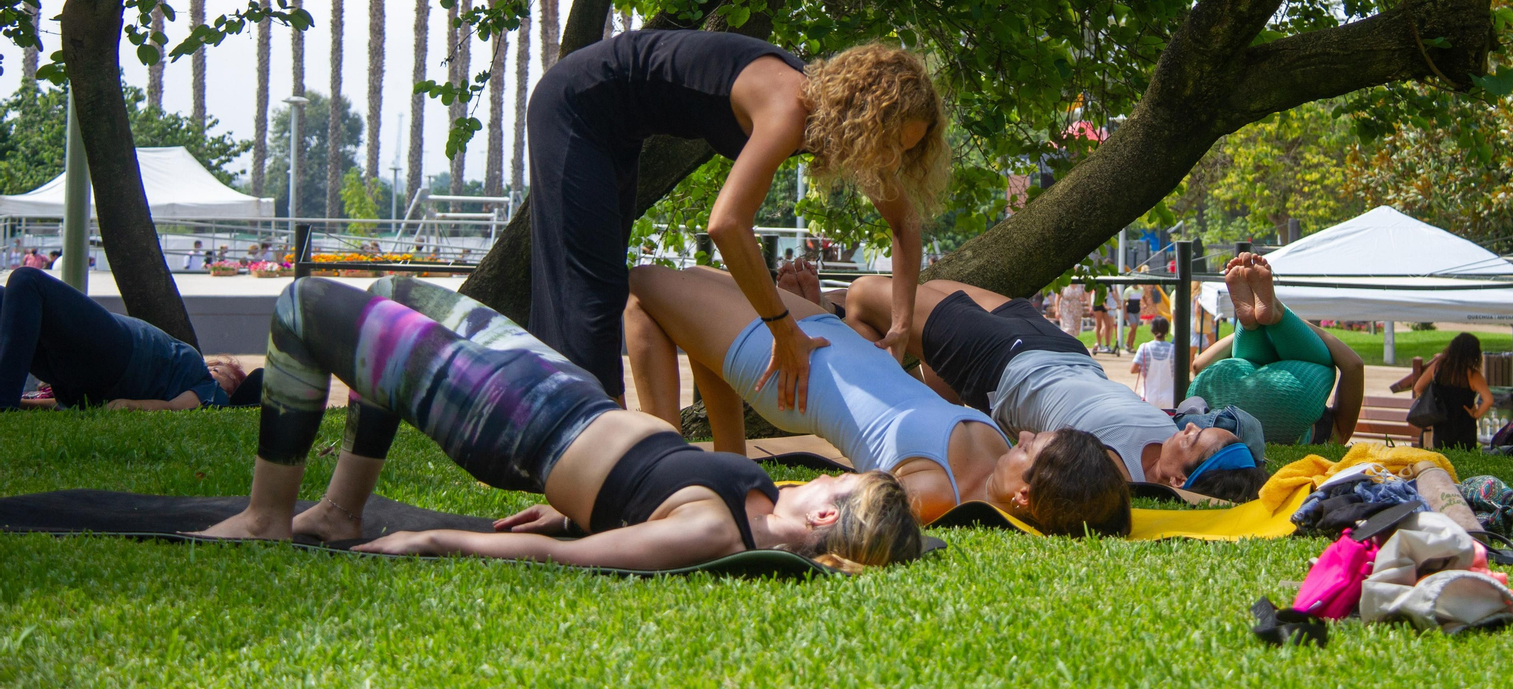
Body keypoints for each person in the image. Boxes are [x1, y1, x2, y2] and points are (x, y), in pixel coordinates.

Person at [196, 277, 923, 572]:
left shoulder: (715, 532)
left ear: (829, 509)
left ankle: (267, 517)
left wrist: (434, 538)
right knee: (391, 294)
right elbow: (633, 495)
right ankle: (337, 511)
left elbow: (581, 558)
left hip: (512, 418)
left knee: (302, 308)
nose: (829, 468)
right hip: (562, 393)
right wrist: (575, 504)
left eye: (840, 477)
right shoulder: (756, 498)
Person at [525, 31, 948, 410]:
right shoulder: (788, 108)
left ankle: (579, 434)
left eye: (904, 152)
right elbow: (725, 224)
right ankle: (593, 450)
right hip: (575, 103)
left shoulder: (826, 117)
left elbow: (904, 224)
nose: (891, 159)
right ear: (867, 117)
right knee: (590, 297)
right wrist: (783, 330)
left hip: (615, 127)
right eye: (890, 143)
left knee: (601, 286)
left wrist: (900, 328)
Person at [625, 265, 1129, 535]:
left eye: (1030, 450)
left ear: (1024, 496)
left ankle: (658, 484)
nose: (1021, 435)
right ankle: (721, 469)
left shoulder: (933, 493)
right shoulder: (996, 454)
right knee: (696, 278)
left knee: (641, 290)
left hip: (794, 368)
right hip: (823, 337)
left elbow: (851, 512)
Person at [843, 272, 1267, 502]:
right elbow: (1238, 481)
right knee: (936, 284)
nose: (1189, 426)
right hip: (1064, 348)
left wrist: (1202, 503)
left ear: (1177, 480)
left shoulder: (1112, 473)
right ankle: (924, 428)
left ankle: (868, 423)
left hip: (1000, 362)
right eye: (1198, 427)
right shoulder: (1177, 440)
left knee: (864, 296)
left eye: (1193, 439)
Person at [0, 268, 243, 411]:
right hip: (80, 377)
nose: (214, 368)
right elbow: (65, 404)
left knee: (27, 280)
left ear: (229, 391)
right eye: (216, 365)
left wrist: (131, 404)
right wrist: (24, 403)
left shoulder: (210, 390)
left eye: (222, 372)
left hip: (122, 354)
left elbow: (176, 406)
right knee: (9, 298)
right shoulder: (194, 371)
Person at [1187, 254, 1366, 446]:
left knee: (1308, 361)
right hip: (1288, 400)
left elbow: (1198, 366)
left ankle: (1254, 326)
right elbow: (1353, 365)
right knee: (1322, 364)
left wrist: (1260, 324)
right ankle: (1268, 318)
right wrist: (1287, 320)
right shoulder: (1338, 431)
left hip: (1220, 391)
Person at [1411, 333, 1493, 450]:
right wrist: (1476, 414)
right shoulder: (1473, 375)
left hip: (1440, 422)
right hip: (1465, 426)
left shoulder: (1438, 367)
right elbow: (1488, 400)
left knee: (1441, 459)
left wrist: (1431, 404)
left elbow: (1418, 387)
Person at [1131, 317, 1175, 408]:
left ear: (1152, 330)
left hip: (1149, 396)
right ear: (1166, 331)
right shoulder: (1173, 349)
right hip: (1169, 397)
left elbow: (1133, 369)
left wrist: (1142, 368)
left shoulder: (1144, 348)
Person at [1123, 275, 1143, 352]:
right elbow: (1124, 303)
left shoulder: (1141, 290)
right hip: (1130, 311)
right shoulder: (1128, 290)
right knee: (1133, 327)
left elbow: (1142, 298)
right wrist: (1125, 314)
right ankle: (1127, 343)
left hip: (1137, 311)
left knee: (1135, 329)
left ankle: (1131, 345)